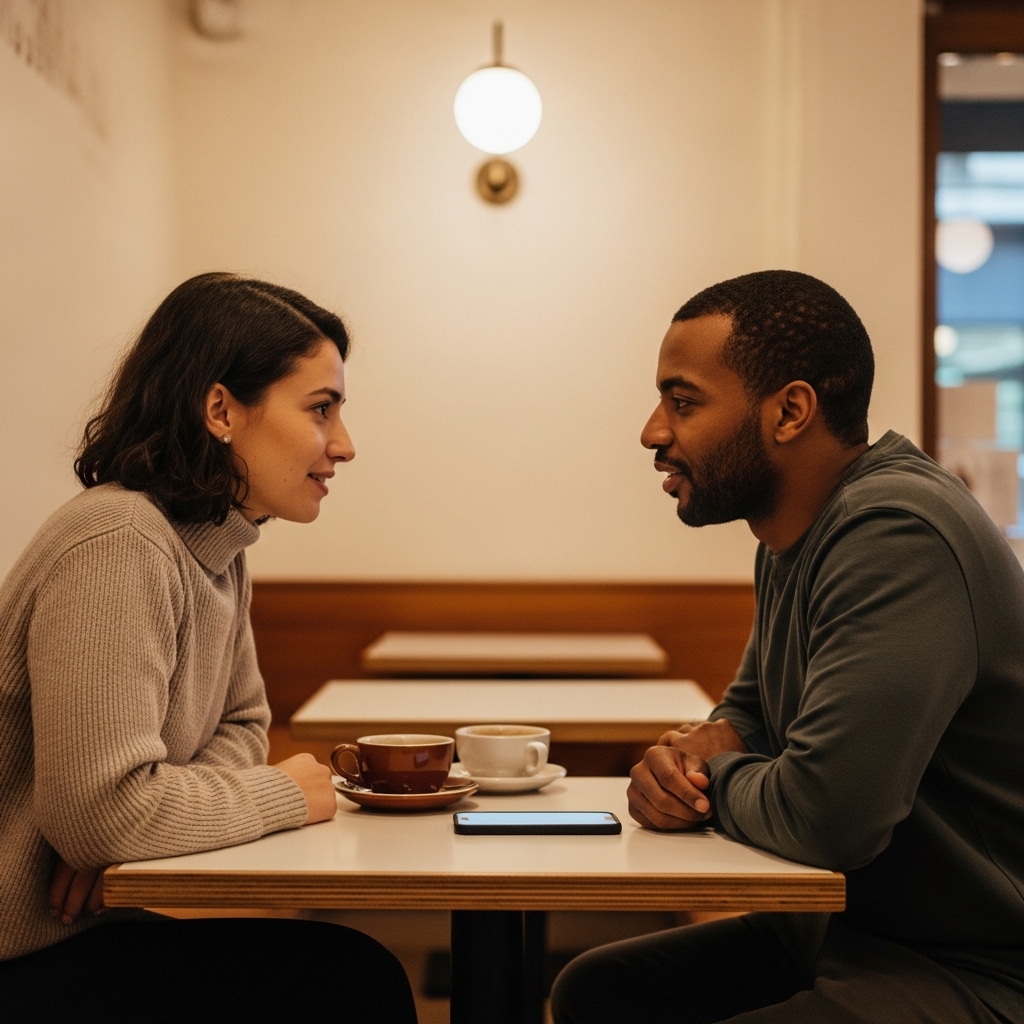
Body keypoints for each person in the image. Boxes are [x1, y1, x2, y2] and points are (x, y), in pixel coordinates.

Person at [551, 270, 1024, 1024]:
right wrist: (677, 770)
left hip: (980, 963)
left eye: (684, 401)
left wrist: (712, 785)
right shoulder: (795, 536)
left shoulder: (895, 531)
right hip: (849, 928)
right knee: (600, 991)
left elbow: (829, 817)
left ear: (791, 411)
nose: (653, 431)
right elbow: (747, 723)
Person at [0, 273, 418, 1022]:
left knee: (348, 975)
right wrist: (283, 793)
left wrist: (125, 834)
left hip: (80, 929)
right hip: (21, 957)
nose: (344, 445)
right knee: (351, 984)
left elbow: (241, 726)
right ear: (221, 409)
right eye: (321, 409)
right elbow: (104, 808)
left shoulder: (218, 548)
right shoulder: (119, 543)